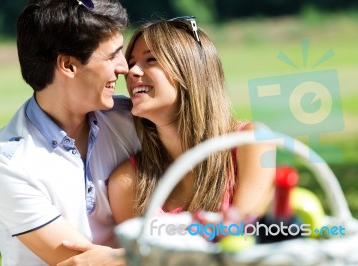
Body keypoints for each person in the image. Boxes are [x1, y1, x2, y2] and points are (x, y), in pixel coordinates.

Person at [0, 0, 140, 265]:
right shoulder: (8, 163)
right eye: (112, 56)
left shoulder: (132, 120)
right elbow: (80, 262)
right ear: (68, 65)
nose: (124, 68)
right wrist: (179, 254)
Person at [107, 17, 277, 224]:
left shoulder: (251, 142)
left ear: (189, 71)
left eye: (151, 59)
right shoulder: (127, 181)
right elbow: (135, 255)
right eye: (131, 63)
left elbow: (243, 232)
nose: (131, 71)